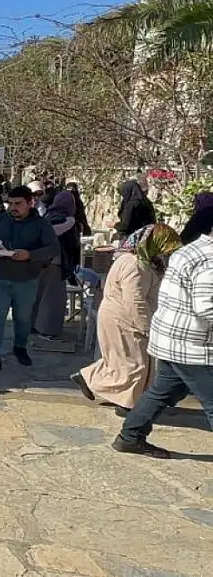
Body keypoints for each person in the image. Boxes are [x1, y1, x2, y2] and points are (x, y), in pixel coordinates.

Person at [111, 225, 213, 459]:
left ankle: (130, 437)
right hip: (193, 346)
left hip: (170, 339)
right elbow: (206, 306)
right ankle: (130, 436)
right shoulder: (209, 259)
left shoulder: (189, 250)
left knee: (162, 391)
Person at [73, 224, 181, 413]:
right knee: (134, 364)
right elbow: (134, 299)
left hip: (124, 318)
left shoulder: (144, 262)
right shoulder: (134, 264)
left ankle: (89, 378)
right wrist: (145, 326)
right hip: (123, 320)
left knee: (122, 361)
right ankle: (126, 404)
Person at [0, 185, 59, 373]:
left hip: (27, 279)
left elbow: (52, 249)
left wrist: (29, 255)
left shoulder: (41, 225)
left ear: (30, 203)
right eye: (10, 203)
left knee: (23, 318)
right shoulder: (0, 220)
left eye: (18, 204)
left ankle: (20, 348)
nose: (13, 207)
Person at [33, 191, 81, 340]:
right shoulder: (68, 220)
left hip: (39, 260)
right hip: (55, 262)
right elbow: (72, 245)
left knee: (38, 295)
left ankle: (33, 326)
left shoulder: (48, 215)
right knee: (52, 298)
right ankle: (47, 330)